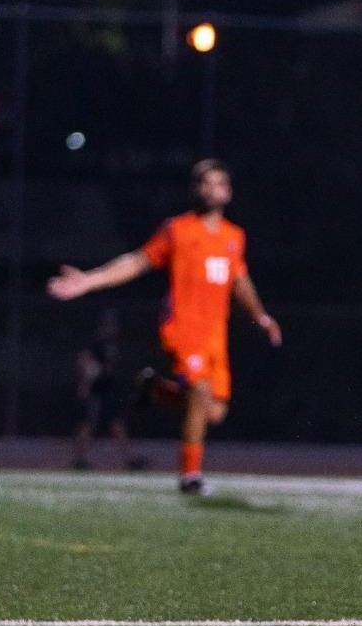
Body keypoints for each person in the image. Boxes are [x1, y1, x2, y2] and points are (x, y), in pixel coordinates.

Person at [48, 159, 283, 495]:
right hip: (183, 328)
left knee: (213, 413)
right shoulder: (178, 230)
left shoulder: (234, 237)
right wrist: (90, 280)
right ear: (196, 189)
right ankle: (190, 478)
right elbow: (137, 260)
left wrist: (260, 315)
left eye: (219, 183)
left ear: (228, 193)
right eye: (205, 182)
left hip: (216, 335)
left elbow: (240, 281)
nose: (211, 188)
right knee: (200, 392)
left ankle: (155, 388)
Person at [70, 308, 142, 470]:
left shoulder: (109, 344)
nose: (113, 328)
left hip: (106, 390)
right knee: (88, 424)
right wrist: (85, 384)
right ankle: (79, 459)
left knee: (115, 423)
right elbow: (84, 361)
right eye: (110, 325)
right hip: (96, 390)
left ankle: (129, 459)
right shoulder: (97, 343)